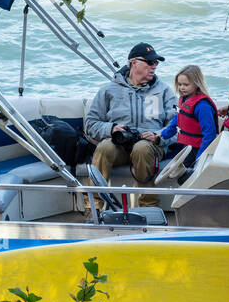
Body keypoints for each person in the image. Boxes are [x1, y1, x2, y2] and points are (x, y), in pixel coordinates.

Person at [85, 43, 176, 197]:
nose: (154, 66)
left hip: (150, 147)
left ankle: (148, 207)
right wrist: (111, 129)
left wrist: (158, 137)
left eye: (156, 63)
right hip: (120, 145)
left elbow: (177, 126)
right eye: (149, 62)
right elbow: (91, 124)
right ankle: (94, 207)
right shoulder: (108, 90)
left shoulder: (164, 91)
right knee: (104, 147)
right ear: (134, 62)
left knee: (142, 148)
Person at [159, 66, 219, 169]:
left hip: (198, 149)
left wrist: (199, 159)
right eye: (180, 84)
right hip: (186, 147)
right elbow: (177, 120)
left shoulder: (202, 106)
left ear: (196, 83)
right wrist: (162, 135)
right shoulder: (184, 100)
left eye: (186, 85)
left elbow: (209, 135)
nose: (182, 87)